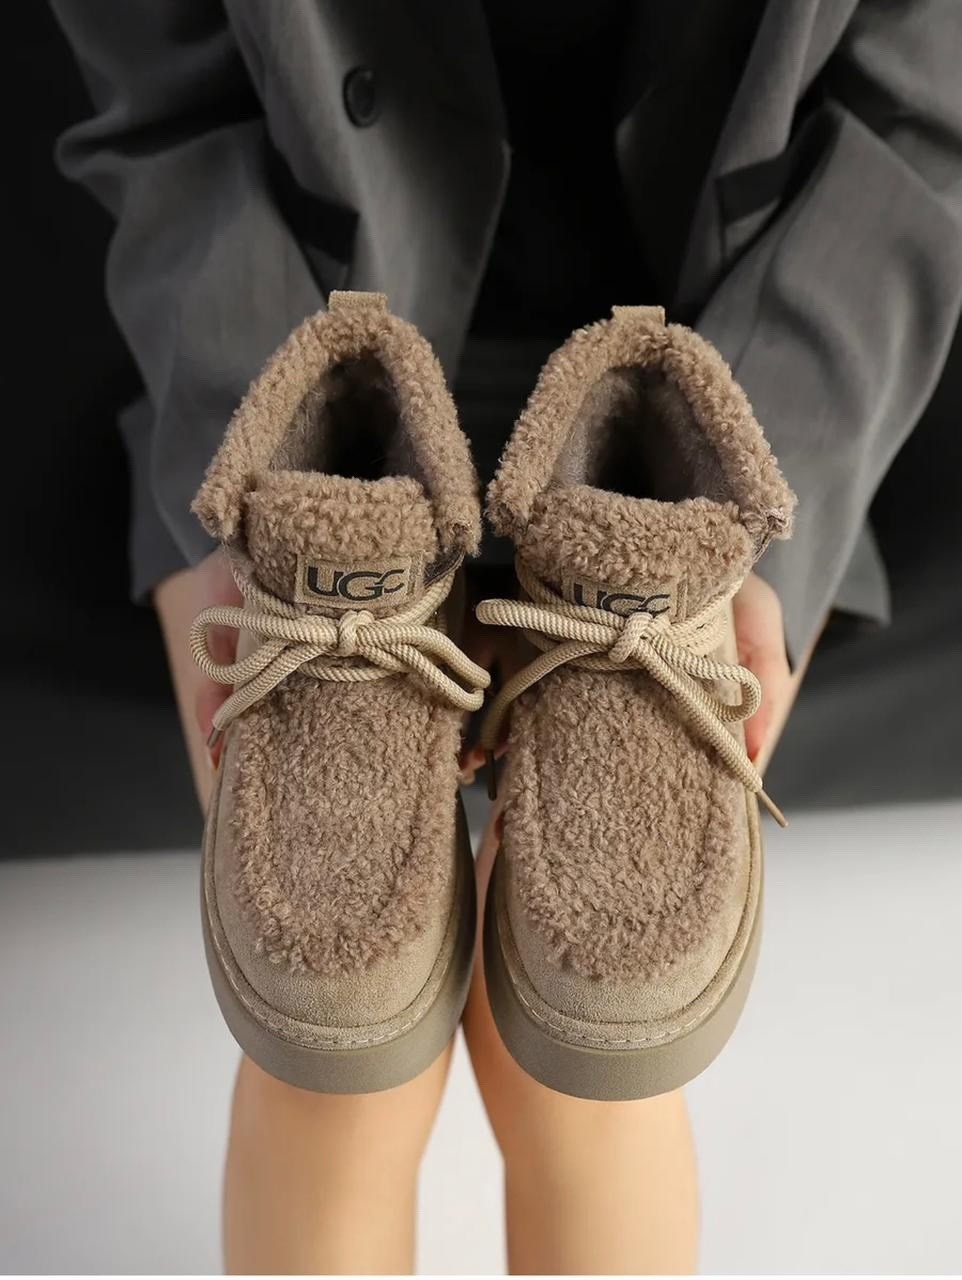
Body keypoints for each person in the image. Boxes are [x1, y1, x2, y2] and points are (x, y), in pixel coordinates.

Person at [50, 2, 962, 1273]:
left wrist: (751, 487)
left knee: (592, 1050)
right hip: (293, 351)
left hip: (717, 378)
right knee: (337, 1051)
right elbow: (168, 109)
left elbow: (918, 118)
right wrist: (249, 474)